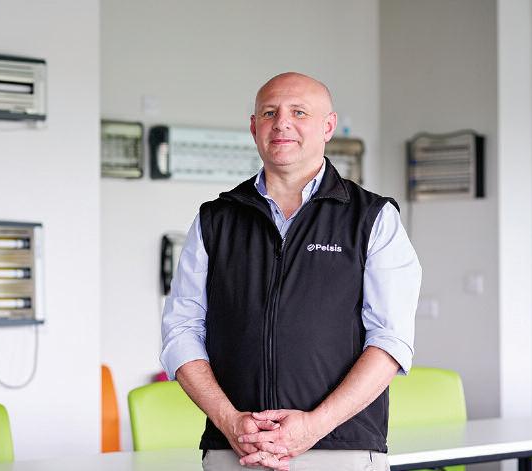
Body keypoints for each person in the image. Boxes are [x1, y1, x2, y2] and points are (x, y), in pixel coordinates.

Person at [160, 72, 421, 471]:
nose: (282, 123)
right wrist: (230, 423)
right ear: (254, 127)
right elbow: (181, 331)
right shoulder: (215, 220)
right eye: (270, 113)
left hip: (340, 451)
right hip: (236, 449)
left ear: (328, 127)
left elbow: (390, 341)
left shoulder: (372, 218)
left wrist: (313, 427)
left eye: (299, 112)